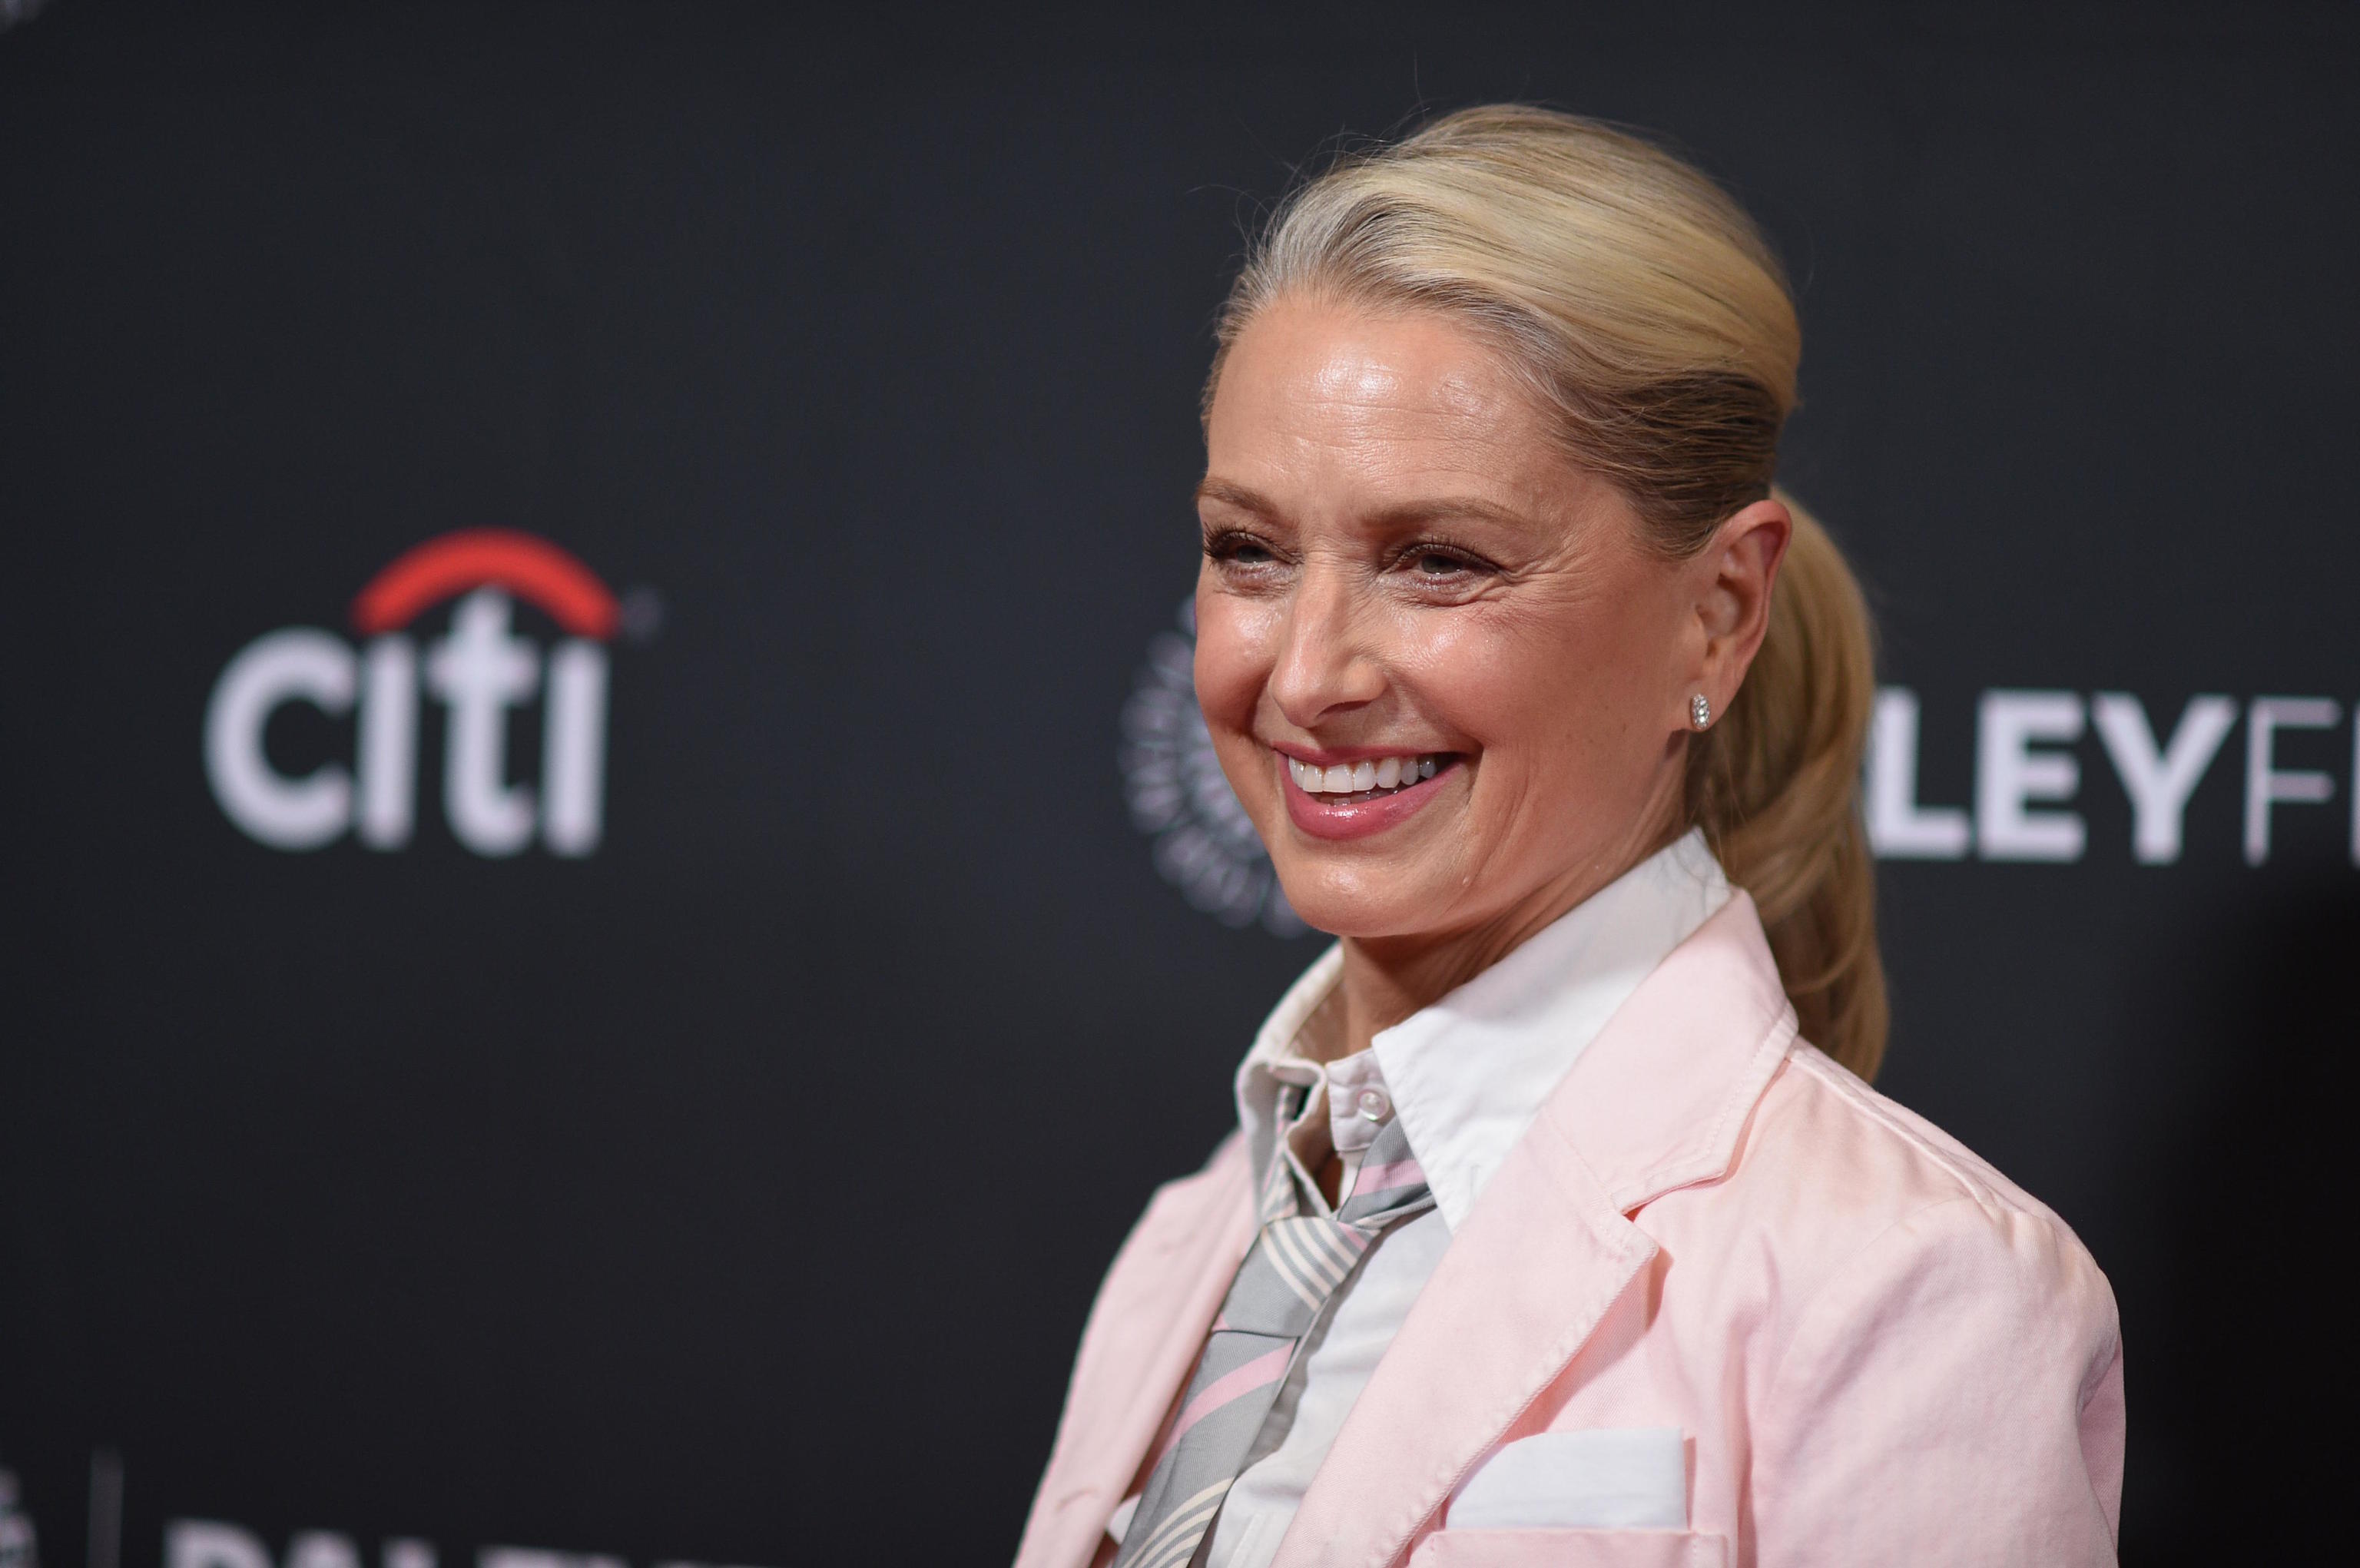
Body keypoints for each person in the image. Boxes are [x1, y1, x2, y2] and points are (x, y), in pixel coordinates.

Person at [1017, 105, 2123, 1568]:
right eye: (1250, 551)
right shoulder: (1192, 1241)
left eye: (1439, 561)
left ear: (1720, 611)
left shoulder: (1916, 1285)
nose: (1306, 674)